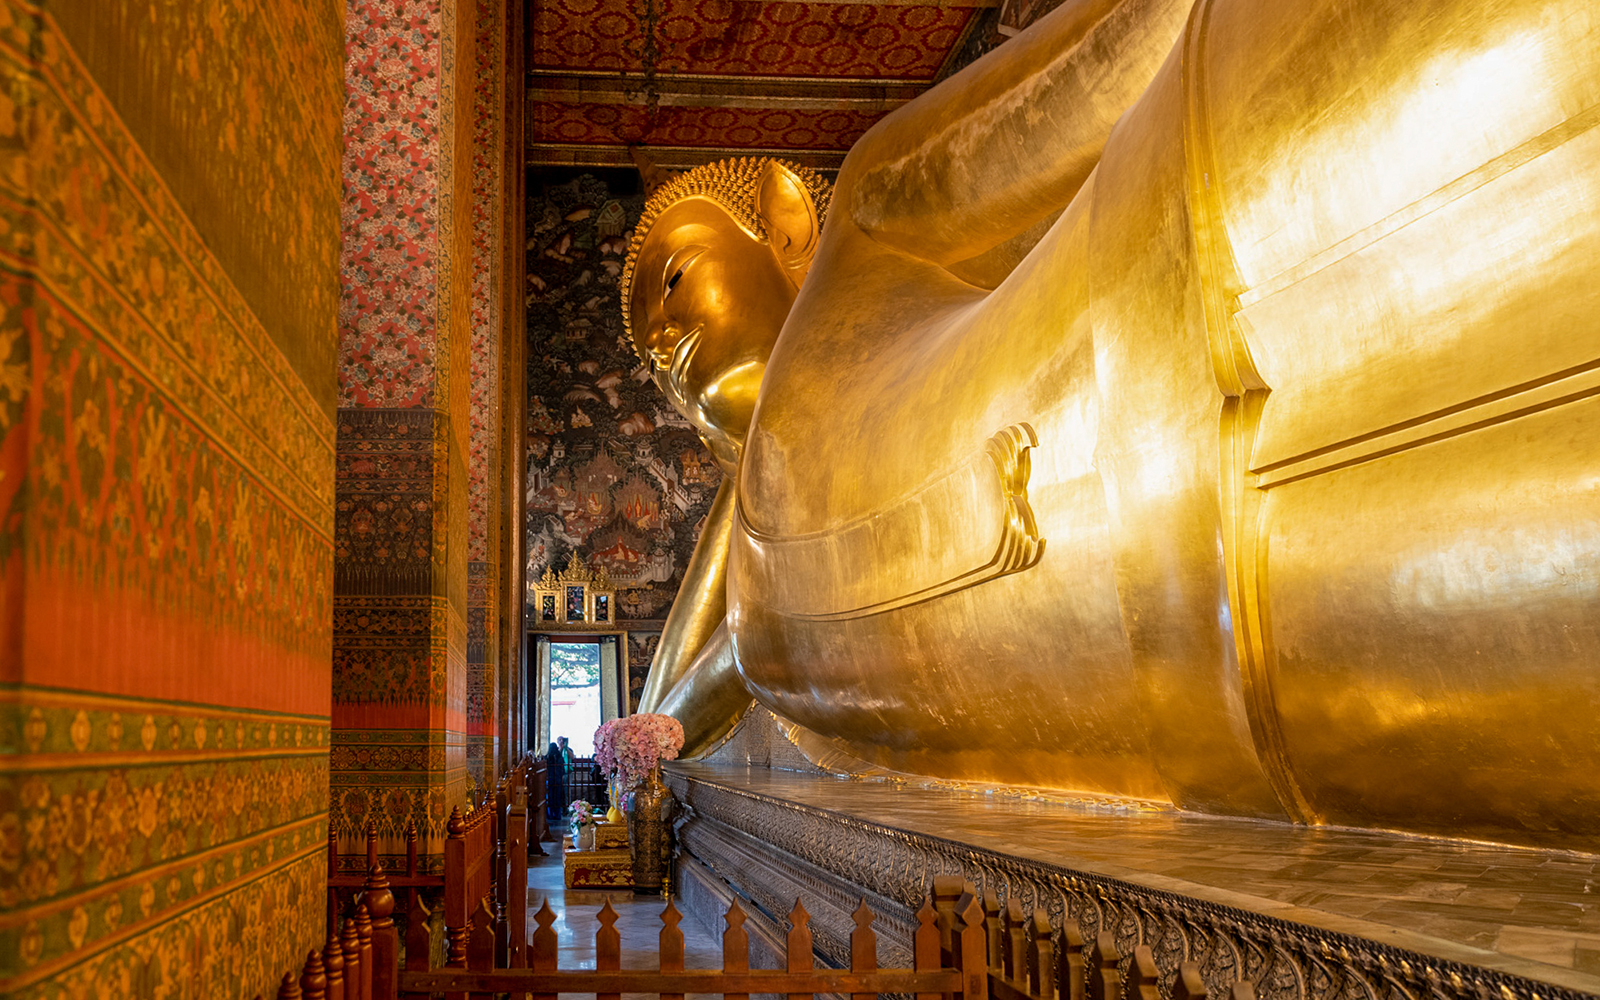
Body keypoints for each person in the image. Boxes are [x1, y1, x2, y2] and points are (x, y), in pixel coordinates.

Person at [623, 0, 1600, 850]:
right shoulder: (758, 576)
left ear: (785, 222)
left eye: (673, 279)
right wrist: (646, 729)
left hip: (1234, 270)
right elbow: (677, 688)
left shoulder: (868, 217)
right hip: (1265, 655)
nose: (661, 335)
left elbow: (1116, 52)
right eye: (643, 343)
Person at [543, 741, 566, 825]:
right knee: (558, 798)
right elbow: (563, 770)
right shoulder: (559, 756)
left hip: (550, 780)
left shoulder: (548, 757)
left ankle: (550, 815)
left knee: (550, 798)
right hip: (558, 780)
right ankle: (557, 815)